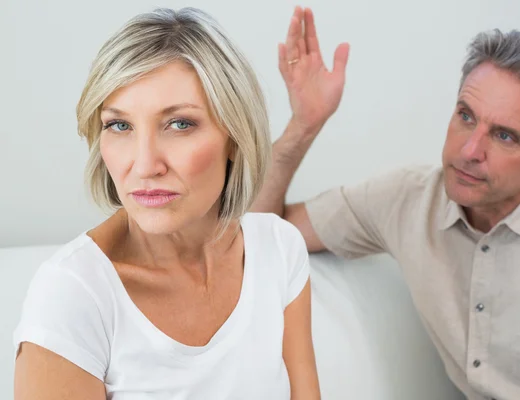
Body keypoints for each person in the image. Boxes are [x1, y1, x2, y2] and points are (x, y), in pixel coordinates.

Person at [253, 6, 520, 399]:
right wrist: (305, 124)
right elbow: (260, 232)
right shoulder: (405, 198)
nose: (470, 150)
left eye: (504, 136)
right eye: (466, 116)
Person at [14, 7, 320, 400]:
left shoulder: (279, 249)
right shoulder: (73, 294)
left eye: (179, 124)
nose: (144, 165)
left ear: (235, 136)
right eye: (119, 125)